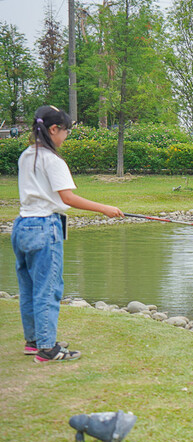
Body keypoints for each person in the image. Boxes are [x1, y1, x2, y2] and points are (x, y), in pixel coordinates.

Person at [12, 105, 124, 363]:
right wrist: (104, 209)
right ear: (53, 129)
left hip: (22, 225)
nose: (65, 137)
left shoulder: (26, 155)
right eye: (65, 132)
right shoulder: (53, 160)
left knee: (28, 288)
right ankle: (48, 349)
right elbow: (67, 197)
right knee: (48, 289)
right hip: (44, 227)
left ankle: (34, 342)